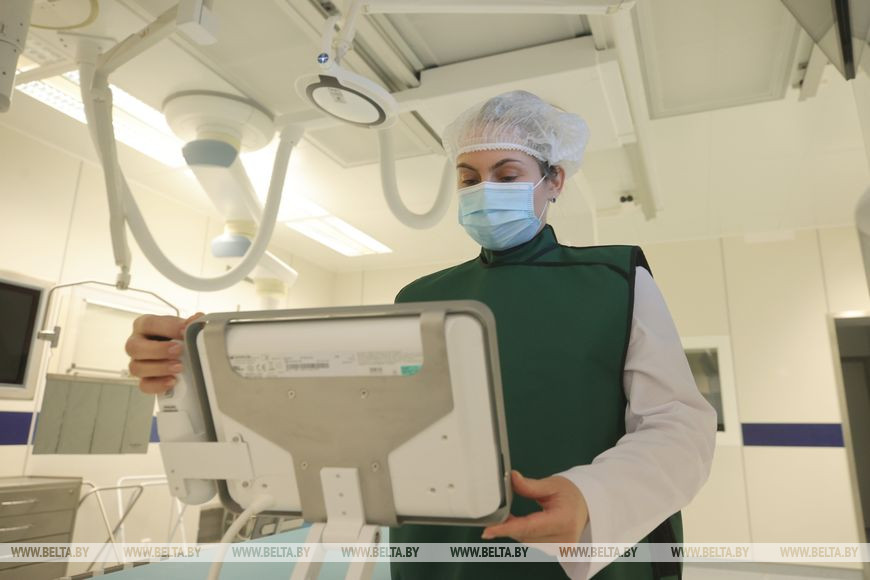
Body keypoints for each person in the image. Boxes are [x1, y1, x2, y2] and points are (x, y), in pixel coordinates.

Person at [125, 90, 716, 580]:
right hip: (436, 557)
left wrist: (593, 497)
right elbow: (354, 424)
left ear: (554, 179)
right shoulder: (420, 299)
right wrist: (192, 374)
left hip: (574, 553)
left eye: (507, 174)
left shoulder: (613, 279)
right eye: (468, 178)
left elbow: (678, 427)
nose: (483, 192)